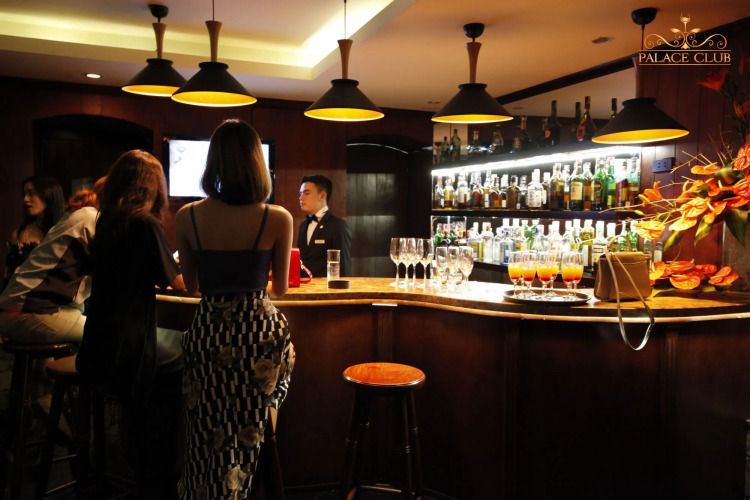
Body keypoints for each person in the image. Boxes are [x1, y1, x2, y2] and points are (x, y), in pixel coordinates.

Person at [174, 119, 295, 500]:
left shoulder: (187, 216)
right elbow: (280, 288)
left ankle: (207, 488)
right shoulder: (277, 217)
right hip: (258, 334)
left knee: (206, 427)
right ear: (257, 163)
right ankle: (253, 456)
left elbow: (192, 287)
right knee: (277, 377)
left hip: (208, 331)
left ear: (214, 162)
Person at [75, 150, 185, 499]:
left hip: (97, 345)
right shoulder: (145, 224)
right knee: (192, 349)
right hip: (130, 349)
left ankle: (132, 450)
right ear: (153, 187)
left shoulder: (108, 221)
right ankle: (164, 467)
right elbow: (179, 283)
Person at [0, 187, 99, 344]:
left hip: (21, 309)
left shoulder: (71, 219)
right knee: (111, 335)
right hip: (31, 311)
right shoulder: (91, 217)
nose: (26, 199)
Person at [3, 176, 65, 290]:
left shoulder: (66, 229)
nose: (25, 199)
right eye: (25, 194)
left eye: (31, 193)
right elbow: (10, 278)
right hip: (26, 298)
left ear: (48, 194)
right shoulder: (21, 234)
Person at [297, 174, 351, 277]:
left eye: (306, 193)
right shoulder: (303, 226)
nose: (301, 198)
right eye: (300, 193)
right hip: (303, 284)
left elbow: (343, 267)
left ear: (322, 196)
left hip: (326, 286)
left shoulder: (338, 225)